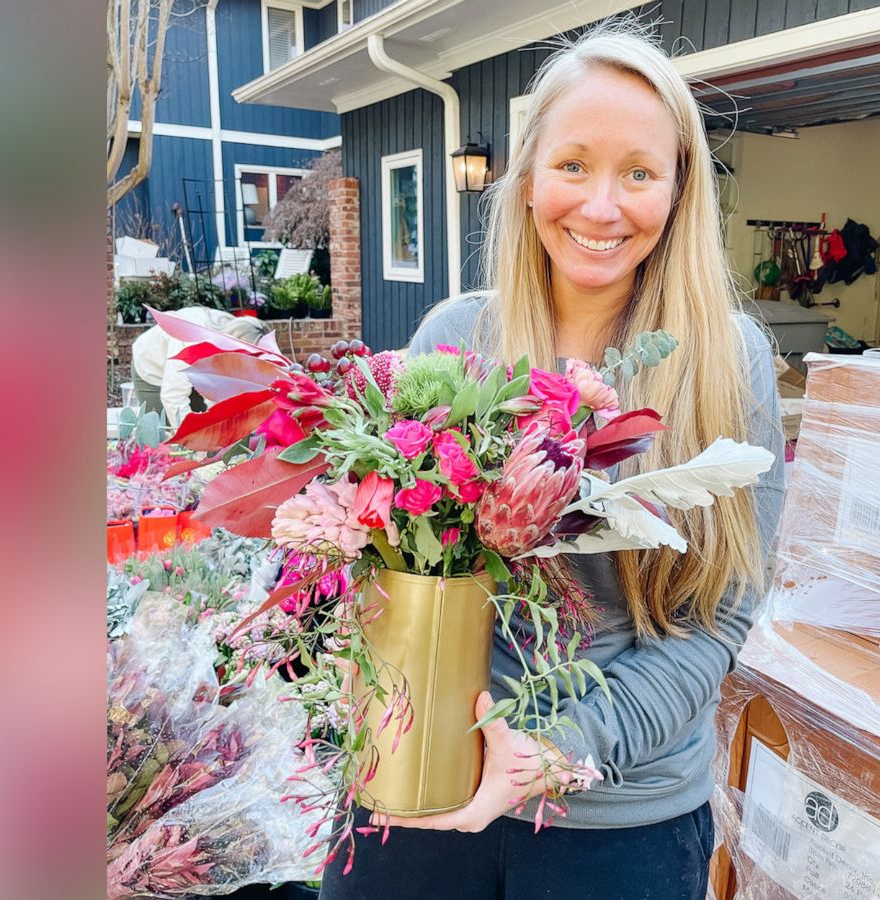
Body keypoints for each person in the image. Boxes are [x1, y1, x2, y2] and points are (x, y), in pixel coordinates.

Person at [319, 21, 787, 900]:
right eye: (573, 164)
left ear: (679, 192)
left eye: (639, 173)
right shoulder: (454, 341)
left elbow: (720, 620)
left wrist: (556, 751)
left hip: (620, 821)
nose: (602, 207)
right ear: (527, 178)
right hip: (422, 787)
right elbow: (377, 572)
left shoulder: (728, 362)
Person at [128, 304, 268, 427]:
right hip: (152, 368)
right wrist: (191, 439)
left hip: (193, 371)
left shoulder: (237, 329)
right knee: (163, 434)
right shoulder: (190, 340)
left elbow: (219, 393)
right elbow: (173, 396)